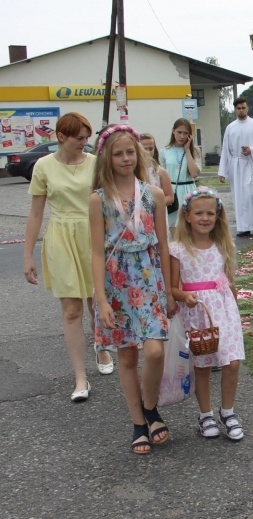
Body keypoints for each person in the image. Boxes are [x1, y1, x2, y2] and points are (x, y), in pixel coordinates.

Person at [89, 124, 172, 455]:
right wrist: (100, 300)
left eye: (129, 152)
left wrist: (169, 289)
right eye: (118, 153)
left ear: (139, 154)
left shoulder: (153, 194)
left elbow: (165, 245)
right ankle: (139, 423)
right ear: (106, 158)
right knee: (126, 356)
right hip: (116, 282)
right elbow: (96, 252)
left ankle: (150, 407)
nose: (125, 158)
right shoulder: (98, 200)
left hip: (149, 278)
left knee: (154, 350)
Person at [23, 112, 115, 400]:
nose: (85, 143)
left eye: (88, 137)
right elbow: (36, 213)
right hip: (61, 237)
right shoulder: (43, 166)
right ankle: (80, 378)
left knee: (96, 304)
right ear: (61, 137)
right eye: (79, 138)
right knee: (72, 309)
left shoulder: (96, 163)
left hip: (95, 235)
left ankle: (101, 346)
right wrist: (28, 256)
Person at [169, 186, 245, 441]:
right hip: (196, 311)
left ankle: (228, 411)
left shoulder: (222, 244)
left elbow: (229, 279)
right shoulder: (178, 249)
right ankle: (205, 415)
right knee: (202, 365)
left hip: (223, 310)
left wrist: (235, 309)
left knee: (232, 362)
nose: (205, 218)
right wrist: (184, 297)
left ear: (218, 216)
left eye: (210, 213)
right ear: (187, 216)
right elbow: (171, 286)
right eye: (199, 213)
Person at [217, 98, 253, 237]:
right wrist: (223, 171)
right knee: (239, 197)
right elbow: (226, 150)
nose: (241, 110)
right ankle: (244, 227)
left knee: (252, 195)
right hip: (236, 165)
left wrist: (251, 149)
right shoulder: (230, 127)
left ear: (247, 108)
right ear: (235, 109)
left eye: (243, 107)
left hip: (250, 164)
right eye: (238, 108)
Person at [161, 118, 201, 229]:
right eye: (179, 132)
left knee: (190, 225)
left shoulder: (195, 150)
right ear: (173, 131)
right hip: (172, 190)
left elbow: (194, 173)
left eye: (185, 133)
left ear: (190, 135)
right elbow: (161, 174)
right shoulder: (164, 151)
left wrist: (187, 150)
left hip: (189, 189)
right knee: (172, 225)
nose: (182, 136)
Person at [140, 133, 175, 227]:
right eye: (144, 149)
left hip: (158, 214)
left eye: (151, 148)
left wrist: (155, 204)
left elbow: (170, 197)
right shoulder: (133, 172)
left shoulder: (160, 172)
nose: (148, 152)